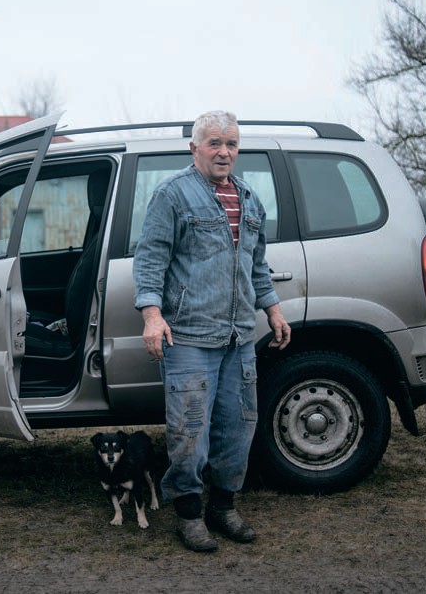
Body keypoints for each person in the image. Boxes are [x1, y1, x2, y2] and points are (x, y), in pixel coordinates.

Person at [133, 110, 290, 552]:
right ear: (194, 148)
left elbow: (257, 266)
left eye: (232, 144)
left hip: (239, 338)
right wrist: (152, 316)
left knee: (237, 429)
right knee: (190, 433)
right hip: (188, 338)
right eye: (215, 143)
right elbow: (150, 260)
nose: (224, 152)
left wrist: (273, 310)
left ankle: (223, 507)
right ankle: (188, 514)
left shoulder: (249, 199)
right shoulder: (172, 195)